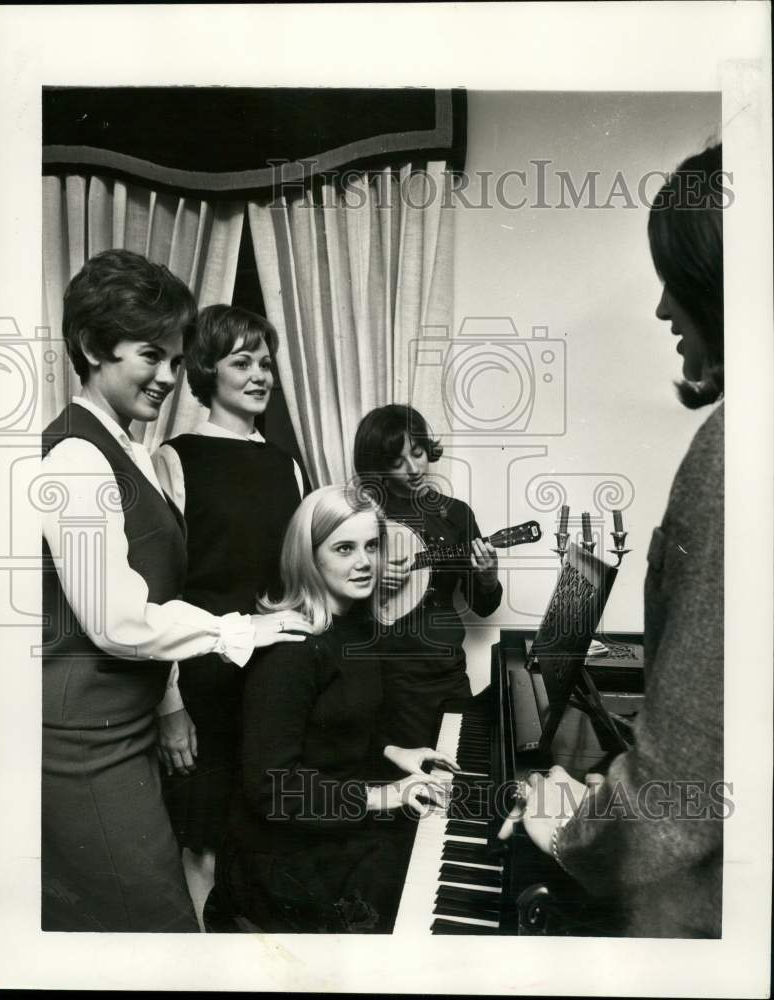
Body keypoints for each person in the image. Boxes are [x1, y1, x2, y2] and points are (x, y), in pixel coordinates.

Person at [40, 250, 310, 932]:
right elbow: (114, 620)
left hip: (123, 727)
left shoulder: (124, 446)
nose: (167, 377)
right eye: (149, 356)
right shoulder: (75, 456)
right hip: (84, 743)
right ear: (92, 348)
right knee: (155, 926)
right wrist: (235, 631)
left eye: (173, 358)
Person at [499, 144, 725, 938]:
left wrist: (569, 835)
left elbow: (681, 788)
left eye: (676, 278)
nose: (664, 309)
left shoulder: (733, 449)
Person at [209, 484, 458, 933]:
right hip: (280, 858)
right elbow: (272, 788)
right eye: (344, 548)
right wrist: (385, 794)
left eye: (372, 546)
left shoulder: (355, 625)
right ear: (309, 556)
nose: (364, 562)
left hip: (326, 822)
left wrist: (391, 752)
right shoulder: (291, 649)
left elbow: (333, 721)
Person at [152, 305, 305, 927]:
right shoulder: (174, 458)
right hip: (203, 683)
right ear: (206, 372)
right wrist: (170, 706)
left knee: (265, 839)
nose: (260, 375)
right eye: (242, 362)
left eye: (265, 362)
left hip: (274, 679)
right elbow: (158, 595)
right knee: (204, 847)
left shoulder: (285, 465)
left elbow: (295, 580)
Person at [353, 404, 503, 749]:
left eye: (418, 453)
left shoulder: (456, 514)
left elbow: (482, 606)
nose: (413, 467)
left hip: (448, 670)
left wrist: (488, 578)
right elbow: (331, 596)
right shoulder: (362, 518)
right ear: (377, 465)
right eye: (397, 461)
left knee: (457, 765)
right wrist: (373, 581)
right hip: (387, 680)